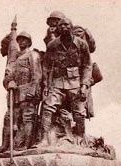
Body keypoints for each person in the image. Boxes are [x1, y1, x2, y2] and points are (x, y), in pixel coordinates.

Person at [39, 16, 93, 147]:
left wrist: (84, 86)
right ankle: (44, 139)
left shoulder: (81, 44)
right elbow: (46, 65)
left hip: (75, 82)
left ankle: (80, 136)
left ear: (71, 27)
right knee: (47, 107)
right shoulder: (53, 45)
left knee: (79, 111)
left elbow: (87, 65)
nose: (64, 28)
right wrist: (46, 84)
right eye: (61, 26)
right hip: (57, 82)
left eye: (67, 25)